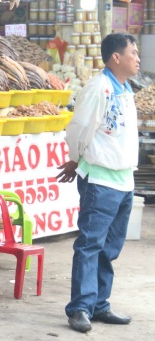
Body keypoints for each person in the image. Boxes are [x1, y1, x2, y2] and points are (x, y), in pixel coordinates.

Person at [57, 33, 140, 334]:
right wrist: (76, 159)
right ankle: (80, 307)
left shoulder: (126, 89)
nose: (138, 58)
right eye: (133, 52)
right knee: (90, 245)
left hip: (124, 181)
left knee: (109, 248)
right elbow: (78, 129)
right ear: (116, 57)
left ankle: (100, 304)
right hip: (101, 180)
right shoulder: (98, 88)